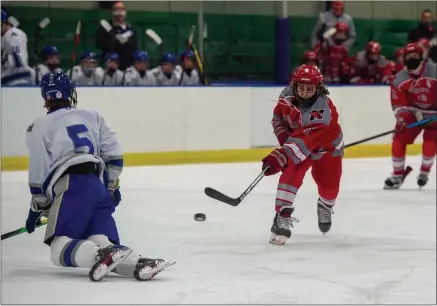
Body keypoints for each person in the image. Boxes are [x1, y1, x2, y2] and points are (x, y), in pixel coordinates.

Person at [25, 71, 175, 281]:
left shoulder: (38, 126)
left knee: (58, 248)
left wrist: (37, 207)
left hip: (72, 186)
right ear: (70, 93)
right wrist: (111, 187)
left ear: (45, 97)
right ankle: (137, 263)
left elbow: (38, 175)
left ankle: (100, 254)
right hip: (98, 187)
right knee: (100, 238)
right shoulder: (92, 115)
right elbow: (114, 156)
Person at [261, 64, 343, 245]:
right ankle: (282, 216)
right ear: (295, 85)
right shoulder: (286, 96)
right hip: (300, 143)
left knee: (329, 188)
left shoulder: (322, 110)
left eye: (310, 88)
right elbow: (278, 119)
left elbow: (306, 140)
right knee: (290, 174)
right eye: (301, 87)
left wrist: (282, 155)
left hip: (326, 148)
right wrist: (284, 138)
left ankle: (326, 205)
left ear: (318, 88)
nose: (305, 92)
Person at [384, 43, 437, 189]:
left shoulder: (434, 71)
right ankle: (397, 175)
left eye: (414, 56)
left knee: (431, 138)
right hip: (414, 113)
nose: (411, 58)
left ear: (421, 57)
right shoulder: (399, 79)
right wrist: (401, 118)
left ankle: (424, 172)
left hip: (434, 114)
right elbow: (398, 104)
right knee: (399, 137)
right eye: (408, 56)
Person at [95, 1, 138, 71]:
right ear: (112, 11)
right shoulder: (106, 27)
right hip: (111, 68)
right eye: (117, 9)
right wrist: (116, 41)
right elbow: (99, 44)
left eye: (122, 9)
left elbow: (135, 48)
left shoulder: (131, 29)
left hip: (128, 69)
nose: (120, 12)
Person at [1, 10, 34, 85]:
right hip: (8, 79)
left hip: (18, 77)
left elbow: (17, 55)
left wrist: (19, 67)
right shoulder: (4, 37)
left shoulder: (14, 33)